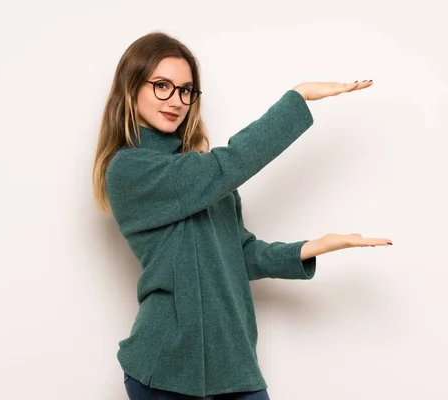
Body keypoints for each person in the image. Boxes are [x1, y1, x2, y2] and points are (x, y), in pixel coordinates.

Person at [92, 31, 392, 400]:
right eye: (162, 86)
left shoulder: (201, 172)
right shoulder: (129, 170)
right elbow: (228, 165)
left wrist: (312, 247)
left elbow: (240, 253)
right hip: (165, 366)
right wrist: (297, 99)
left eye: (186, 90)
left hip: (233, 362)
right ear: (131, 88)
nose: (176, 100)